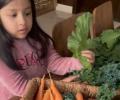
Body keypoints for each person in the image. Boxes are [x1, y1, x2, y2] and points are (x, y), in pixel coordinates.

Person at [0, 0, 95, 99]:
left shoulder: (38, 39)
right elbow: (21, 88)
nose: (23, 21)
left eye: (27, 13)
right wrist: (59, 85)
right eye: (13, 15)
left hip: (42, 90)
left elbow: (54, 62)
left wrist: (78, 62)